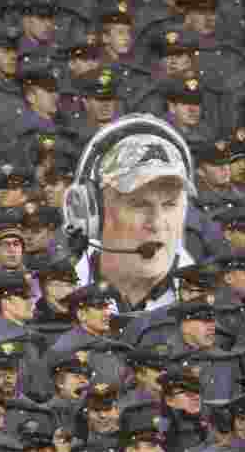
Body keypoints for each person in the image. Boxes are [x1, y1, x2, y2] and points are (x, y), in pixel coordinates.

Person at [62, 115, 196, 310]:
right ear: (91, 212)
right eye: (139, 204)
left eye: (170, 204)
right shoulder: (49, 299)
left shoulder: (216, 308)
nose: (157, 223)